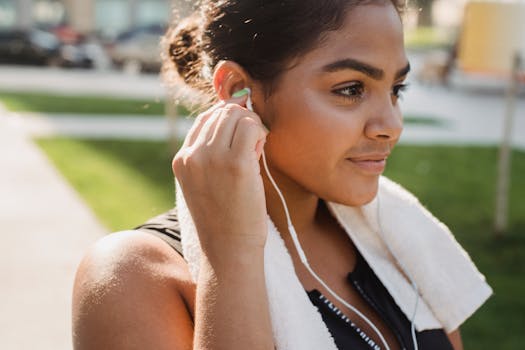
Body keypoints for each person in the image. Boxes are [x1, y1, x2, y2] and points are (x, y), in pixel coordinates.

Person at [72, 1, 492, 349]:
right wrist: (233, 256)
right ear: (240, 90)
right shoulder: (133, 275)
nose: (391, 124)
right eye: (351, 89)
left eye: (396, 90)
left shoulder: (399, 236)